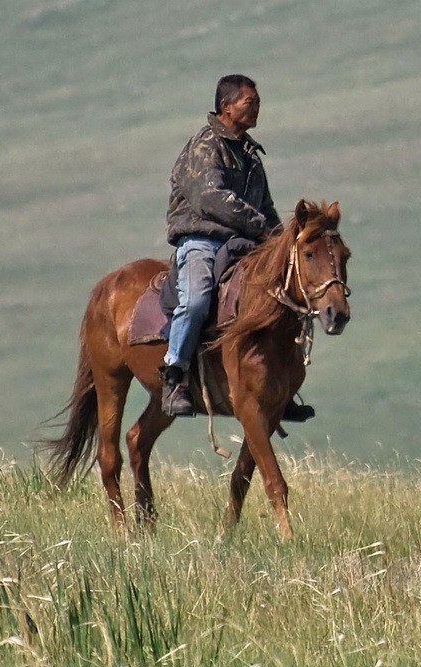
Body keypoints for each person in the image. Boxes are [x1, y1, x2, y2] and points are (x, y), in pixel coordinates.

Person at [160, 74, 313, 422]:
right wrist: (262, 228)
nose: (257, 106)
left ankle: (279, 386)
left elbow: (267, 206)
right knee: (197, 300)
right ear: (226, 107)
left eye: (257, 101)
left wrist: (282, 239)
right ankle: (175, 375)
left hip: (244, 243)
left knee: (284, 296)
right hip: (201, 240)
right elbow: (213, 199)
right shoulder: (204, 146)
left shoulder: (250, 155)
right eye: (250, 101)